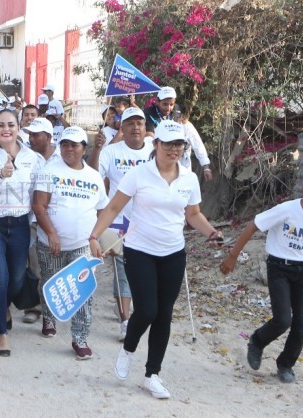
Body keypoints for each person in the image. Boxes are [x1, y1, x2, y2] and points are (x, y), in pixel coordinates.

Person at [89, 120, 223, 400]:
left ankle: (152, 375)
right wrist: (94, 236)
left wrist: (211, 232)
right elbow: (114, 207)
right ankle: (128, 349)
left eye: (179, 145)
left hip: (173, 253)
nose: (174, 150)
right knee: (147, 310)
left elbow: (193, 214)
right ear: (156, 144)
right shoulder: (139, 174)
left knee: (164, 315)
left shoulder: (189, 178)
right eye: (169, 144)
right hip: (139, 251)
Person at [220, 167, 303, 384]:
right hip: (279, 268)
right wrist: (232, 256)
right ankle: (257, 341)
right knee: (282, 319)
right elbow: (254, 225)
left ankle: (285, 364)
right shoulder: (287, 209)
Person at [32, 126, 108, 359]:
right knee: (51, 283)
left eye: (74, 145)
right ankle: (48, 317)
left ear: (84, 148)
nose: (68, 149)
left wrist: (97, 239)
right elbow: (38, 206)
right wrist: (52, 234)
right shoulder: (48, 170)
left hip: (82, 246)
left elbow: (102, 210)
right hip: (50, 243)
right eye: (65, 144)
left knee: (81, 291)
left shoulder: (94, 176)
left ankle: (80, 337)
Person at [0, 109, 42, 357]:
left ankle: (4, 306)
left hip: (20, 224)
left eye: (11, 124)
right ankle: (1, 333)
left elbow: (38, 188)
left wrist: (37, 221)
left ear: (18, 128)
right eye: (0, 125)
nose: (6, 129)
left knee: (16, 279)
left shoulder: (31, 158)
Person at [88, 107, 154, 340]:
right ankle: (126, 320)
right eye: (130, 123)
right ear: (122, 128)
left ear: (145, 128)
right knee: (122, 271)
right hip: (119, 221)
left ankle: (137, 310)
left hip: (149, 222)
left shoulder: (155, 151)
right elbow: (94, 175)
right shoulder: (111, 151)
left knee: (144, 272)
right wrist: (96, 148)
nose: (136, 127)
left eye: (140, 123)